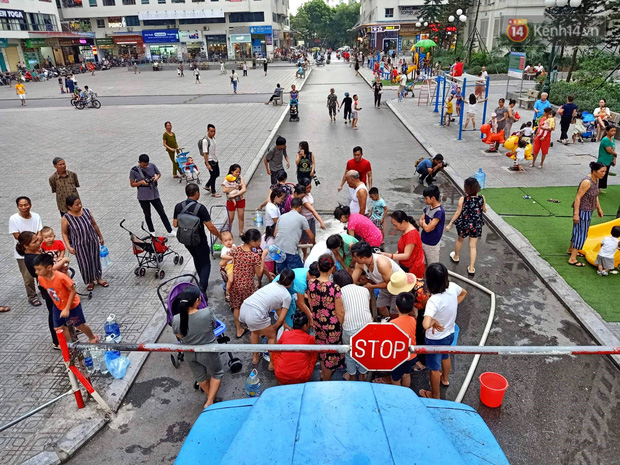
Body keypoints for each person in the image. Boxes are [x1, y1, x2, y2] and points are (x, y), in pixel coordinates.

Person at [419, 263, 467, 399]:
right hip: (450, 333)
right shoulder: (452, 287)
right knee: (446, 356)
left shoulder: (433, 301)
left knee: (434, 368)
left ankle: (435, 395)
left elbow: (425, 324)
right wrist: (452, 306)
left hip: (434, 339)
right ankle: (445, 379)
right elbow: (464, 292)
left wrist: (433, 321)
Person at [171, 285, 223, 408]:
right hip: (208, 351)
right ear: (198, 301)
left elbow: (179, 336)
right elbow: (213, 324)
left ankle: (210, 395)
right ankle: (210, 400)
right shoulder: (207, 312)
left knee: (200, 376)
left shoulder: (176, 319)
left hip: (189, 352)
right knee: (217, 373)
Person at [16, 232, 68, 346]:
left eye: (38, 239)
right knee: (54, 312)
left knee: (60, 309)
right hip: (49, 289)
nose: (39, 242)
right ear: (26, 246)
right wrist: (63, 261)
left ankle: (66, 330)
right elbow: (51, 269)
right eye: (35, 242)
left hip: (54, 285)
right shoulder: (32, 259)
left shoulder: (36, 253)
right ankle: (57, 341)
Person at [34, 254, 98, 345]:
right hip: (58, 306)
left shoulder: (61, 277)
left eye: (39, 269)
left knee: (80, 325)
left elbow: (73, 291)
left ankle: (92, 337)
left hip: (72, 305)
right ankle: (72, 343)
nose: (36, 272)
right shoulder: (41, 278)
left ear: (49, 268)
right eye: (36, 269)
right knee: (58, 327)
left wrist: (67, 308)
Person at [172, 184, 221, 293]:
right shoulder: (201, 208)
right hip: (199, 240)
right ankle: (202, 288)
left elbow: (175, 224)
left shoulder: (178, 206)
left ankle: (200, 282)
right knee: (205, 263)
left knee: (196, 258)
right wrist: (220, 236)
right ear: (197, 193)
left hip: (186, 240)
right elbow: (211, 227)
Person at [239, 270, 294, 367]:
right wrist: (275, 326)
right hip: (256, 314)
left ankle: (255, 357)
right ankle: (272, 363)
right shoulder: (287, 296)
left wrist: (284, 323)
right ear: (291, 282)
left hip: (245, 307)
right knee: (272, 336)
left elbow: (277, 308)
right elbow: (280, 318)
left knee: (255, 331)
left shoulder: (272, 285)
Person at [308, 255, 345, 380]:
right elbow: (339, 312)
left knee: (323, 350)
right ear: (332, 268)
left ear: (318, 267)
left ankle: (324, 373)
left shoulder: (311, 283)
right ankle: (326, 379)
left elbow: (311, 303)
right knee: (331, 354)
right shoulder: (335, 288)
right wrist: (341, 325)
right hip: (332, 327)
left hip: (318, 323)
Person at [61, 196, 107, 291]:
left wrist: (100, 236)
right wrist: (68, 247)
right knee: (84, 263)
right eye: (76, 204)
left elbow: (94, 224)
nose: (79, 206)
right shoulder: (66, 218)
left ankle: (99, 278)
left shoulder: (86, 211)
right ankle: (90, 281)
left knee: (95, 260)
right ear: (69, 207)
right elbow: (64, 233)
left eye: (80, 203)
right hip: (79, 244)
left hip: (92, 240)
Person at [333, 270, 372, 381]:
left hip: (350, 327)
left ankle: (352, 376)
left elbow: (340, 313)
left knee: (350, 353)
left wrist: (343, 324)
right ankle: (363, 375)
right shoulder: (364, 290)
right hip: (367, 327)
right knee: (364, 351)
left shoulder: (339, 293)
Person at [229, 229, 269, 338]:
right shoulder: (254, 256)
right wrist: (263, 257)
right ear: (252, 241)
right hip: (247, 285)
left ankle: (239, 330)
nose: (259, 243)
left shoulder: (236, 249)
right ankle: (255, 328)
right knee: (252, 306)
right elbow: (259, 273)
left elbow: (227, 259)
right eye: (258, 241)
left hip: (235, 284)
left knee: (237, 307)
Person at [567, 162, 606, 267]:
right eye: (601, 171)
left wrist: (599, 208)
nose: (603, 174)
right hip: (582, 211)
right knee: (581, 233)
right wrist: (576, 214)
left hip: (589, 210)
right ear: (594, 171)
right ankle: (573, 258)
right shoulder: (587, 182)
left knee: (578, 230)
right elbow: (578, 197)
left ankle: (571, 249)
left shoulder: (596, 179)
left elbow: (595, 194)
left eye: (604, 172)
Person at [446, 177, 486, 275]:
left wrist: (450, 223)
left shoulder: (462, 199)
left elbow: (457, 213)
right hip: (476, 225)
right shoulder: (482, 198)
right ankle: (471, 268)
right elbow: (484, 210)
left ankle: (456, 256)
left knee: (460, 240)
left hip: (464, 224)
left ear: (466, 189)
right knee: (473, 246)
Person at [351, 241, 401, 317]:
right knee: (380, 307)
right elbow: (352, 281)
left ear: (364, 258)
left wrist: (372, 287)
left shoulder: (381, 264)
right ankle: (388, 321)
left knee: (394, 312)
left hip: (397, 286)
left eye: (355, 257)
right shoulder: (359, 264)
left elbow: (390, 284)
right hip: (384, 286)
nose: (353, 259)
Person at [9, 196, 43, 306]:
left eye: (26, 205)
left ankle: (44, 290)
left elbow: (40, 232)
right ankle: (32, 296)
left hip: (37, 249)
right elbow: (17, 236)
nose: (24, 207)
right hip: (23, 253)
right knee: (28, 277)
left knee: (41, 272)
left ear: (30, 205)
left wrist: (37, 244)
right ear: (18, 207)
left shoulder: (36, 216)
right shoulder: (13, 219)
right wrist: (31, 244)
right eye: (21, 205)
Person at [129, 154, 173, 234]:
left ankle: (170, 230)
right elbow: (132, 184)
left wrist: (156, 177)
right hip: (143, 196)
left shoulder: (152, 166)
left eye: (147, 164)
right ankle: (151, 231)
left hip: (154, 194)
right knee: (147, 214)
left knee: (161, 212)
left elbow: (159, 174)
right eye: (143, 165)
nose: (145, 166)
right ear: (139, 162)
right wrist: (141, 182)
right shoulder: (134, 170)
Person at [272, 311, 317, 385]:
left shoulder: (285, 334)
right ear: (305, 326)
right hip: (301, 378)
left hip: (281, 375)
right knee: (314, 351)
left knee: (276, 351)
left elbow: (278, 350)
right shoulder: (310, 339)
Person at [274, 198, 315, 272]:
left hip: (278, 251)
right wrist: (313, 245)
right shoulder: (301, 218)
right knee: (299, 272)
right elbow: (311, 236)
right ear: (300, 207)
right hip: (291, 251)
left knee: (282, 275)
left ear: (290, 206)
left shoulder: (282, 217)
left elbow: (275, 234)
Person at [388, 290, 417, 387]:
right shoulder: (413, 320)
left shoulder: (393, 323)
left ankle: (398, 396)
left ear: (396, 307)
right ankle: (406, 392)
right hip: (412, 355)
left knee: (395, 379)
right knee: (406, 374)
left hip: (400, 357)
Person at [384, 211, 425, 278]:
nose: (395, 228)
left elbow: (406, 255)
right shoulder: (405, 230)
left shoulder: (411, 235)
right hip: (407, 264)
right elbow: (404, 248)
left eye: (395, 225)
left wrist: (390, 256)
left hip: (413, 268)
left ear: (403, 222)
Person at [419, 185, 446, 265]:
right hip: (423, 239)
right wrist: (425, 225)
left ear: (433, 198)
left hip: (432, 243)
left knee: (432, 265)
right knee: (423, 264)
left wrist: (424, 225)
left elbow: (427, 228)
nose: (425, 200)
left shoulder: (439, 212)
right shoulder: (428, 207)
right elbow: (420, 220)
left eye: (426, 198)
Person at [221, 164, 247, 237]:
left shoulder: (240, 178)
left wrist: (234, 194)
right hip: (230, 201)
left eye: (239, 172)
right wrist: (235, 187)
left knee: (241, 216)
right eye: (236, 172)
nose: (238, 173)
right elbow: (224, 190)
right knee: (230, 218)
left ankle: (241, 232)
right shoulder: (227, 178)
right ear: (232, 171)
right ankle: (228, 232)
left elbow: (244, 189)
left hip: (240, 200)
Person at [202, 124, 221, 198]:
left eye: (214, 131)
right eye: (211, 131)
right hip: (210, 160)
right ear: (208, 131)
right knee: (213, 175)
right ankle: (213, 191)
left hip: (215, 159)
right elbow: (205, 153)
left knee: (217, 174)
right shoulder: (205, 141)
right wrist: (207, 164)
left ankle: (207, 185)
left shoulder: (213, 139)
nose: (213, 133)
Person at [597, 126, 617, 192]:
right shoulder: (605, 140)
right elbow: (609, 150)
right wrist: (615, 154)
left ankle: (599, 188)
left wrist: (614, 159)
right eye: (612, 131)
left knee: (604, 175)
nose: (613, 132)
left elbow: (613, 149)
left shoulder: (612, 139)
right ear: (607, 131)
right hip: (603, 160)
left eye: (614, 131)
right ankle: (596, 188)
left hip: (608, 160)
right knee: (601, 174)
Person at [220, 230, 235, 302]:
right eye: (226, 241)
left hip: (235, 264)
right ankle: (227, 292)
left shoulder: (234, 246)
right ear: (222, 242)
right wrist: (231, 257)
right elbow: (223, 256)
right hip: (229, 265)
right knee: (231, 279)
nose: (228, 242)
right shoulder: (224, 249)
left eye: (230, 239)